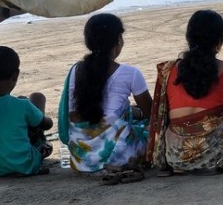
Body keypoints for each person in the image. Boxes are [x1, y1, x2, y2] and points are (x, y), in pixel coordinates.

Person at [147, 10, 223, 175]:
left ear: (189, 39)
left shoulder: (167, 70)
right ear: (219, 42)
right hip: (221, 156)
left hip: (177, 155)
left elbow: (160, 114)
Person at [57, 14, 152, 183]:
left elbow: (74, 115)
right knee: (146, 129)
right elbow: (152, 114)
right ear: (118, 40)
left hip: (82, 159)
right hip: (118, 157)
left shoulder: (76, 71)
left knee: (129, 119)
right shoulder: (131, 73)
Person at [0, 46, 53, 177]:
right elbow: (48, 124)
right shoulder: (22, 105)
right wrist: (40, 116)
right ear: (15, 75)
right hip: (23, 165)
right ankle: (31, 159)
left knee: (21, 107)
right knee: (37, 97)